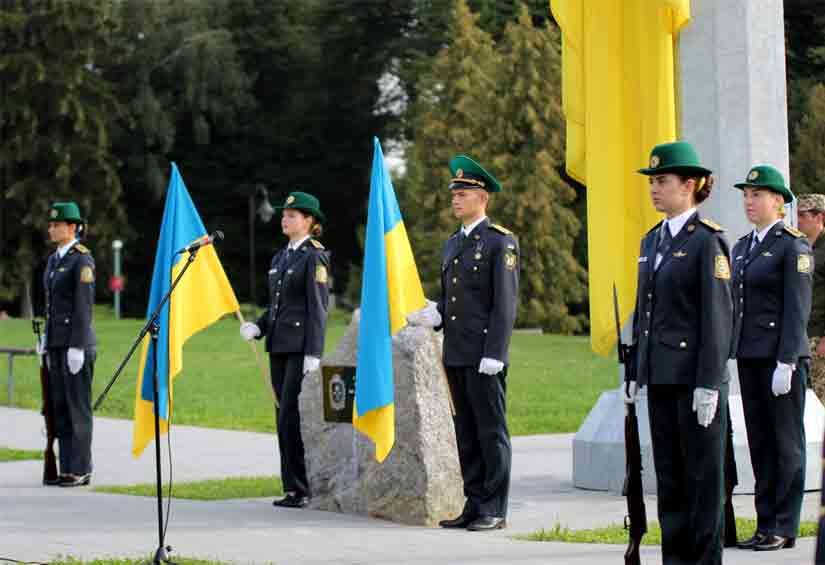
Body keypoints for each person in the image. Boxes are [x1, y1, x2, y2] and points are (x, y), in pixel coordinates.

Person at [625, 141, 733, 564]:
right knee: (669, 479)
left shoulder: (708, 241)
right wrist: (635, 370)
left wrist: (709, 383)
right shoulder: (651, 241)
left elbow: (717, 319)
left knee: (703, 481)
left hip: (694, 381)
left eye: (662, 181)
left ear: (689, 185)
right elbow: (645, 312)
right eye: (652, 181)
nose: (654, 189)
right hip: (662, 377)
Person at [409, 155, 519, 532]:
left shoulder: (499, 242)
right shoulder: (452, 243)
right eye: (454, 192)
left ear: (482, 197)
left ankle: (495, 508)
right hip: (454, 351)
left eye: (464, 192)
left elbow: (504, 304)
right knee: (466, 432)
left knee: (490, 431)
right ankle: (474, 503)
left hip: (484, 354)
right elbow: (452, 300)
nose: (456, 198)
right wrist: (435, 313)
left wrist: (496, 353)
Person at [730, 165, 812, 551]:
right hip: (750, 356)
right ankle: (765, 523)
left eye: (757, 195)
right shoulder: (743, 247)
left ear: (778, 202)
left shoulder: (793, 245)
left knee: (786, 444)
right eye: (746, 195)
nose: (749, 201)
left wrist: (788, 360)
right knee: (761, 443)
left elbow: (797, 308)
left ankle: (784, 524)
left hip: (782, 360)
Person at [239, 191, 330, 508]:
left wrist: (314, 352)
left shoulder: (314, 256)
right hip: (278, 345)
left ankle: (301, 487)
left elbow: (318, 308)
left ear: (309, 222)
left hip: (299, 348)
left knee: (290, 413)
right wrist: (259, 326)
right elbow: (277, 306)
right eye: (284, 214)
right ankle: (291, 487)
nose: (285, 218)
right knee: (282, 415)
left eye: (292, 215)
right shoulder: (282, 257)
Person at [42, 201, 96, 487]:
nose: (52, 229)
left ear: (72, 227)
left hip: (76, 345)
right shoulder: (54, 260)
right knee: (59, 407)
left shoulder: (81, 259)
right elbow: (52, 306)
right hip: (56, 344)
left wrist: (77, 345)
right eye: (51, 225)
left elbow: (83, 306)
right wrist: (46, 341)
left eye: (57, 224)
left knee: (78, 408)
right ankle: (66, 468)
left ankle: (81, 468)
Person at [797, 193, 825, 403]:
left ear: (819, 217)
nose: (798, 220)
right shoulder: (800, 247)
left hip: (820, 336)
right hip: (805, 334)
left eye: (803, 215)